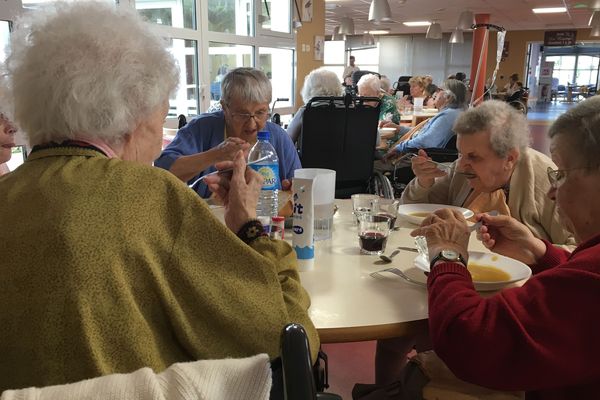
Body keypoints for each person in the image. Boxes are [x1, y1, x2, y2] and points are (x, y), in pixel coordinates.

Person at [0, 1, 318, 392]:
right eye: (160, 119)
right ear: (132, 117)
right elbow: (285, 334)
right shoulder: (153, 198)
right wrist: (250, 229)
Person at [410, 95, 600, 399]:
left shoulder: (538, 181)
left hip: (502, 330)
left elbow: (468, 342)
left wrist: (448, 255)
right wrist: (540, 252)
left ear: (510, 158)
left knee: (416, 371)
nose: (553, 191)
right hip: (519, 327)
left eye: (562, 175)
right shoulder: (464, 175)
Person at [401, 100, 575, 246]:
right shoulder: (461, 169)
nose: (461, 165)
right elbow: (412, 215)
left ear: (509, 158)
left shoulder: (544, 179)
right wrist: (423, 182)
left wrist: (534, 249)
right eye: (460, 154)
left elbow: (578, 250)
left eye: (473, 157)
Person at [155, 67, 300, 198]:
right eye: (242, 114)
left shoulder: (278, 137)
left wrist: (293, 190)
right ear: (224, 108)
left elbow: (299, 186)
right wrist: (216, 155)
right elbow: (161, 172)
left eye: (260, 112)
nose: (251, 123)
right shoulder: (202, 128)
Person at [382, 79, 467, 156]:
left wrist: (399, 147)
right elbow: (423, 133)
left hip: (415, 158)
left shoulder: (447, 117)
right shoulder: (455, 113)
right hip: (419, 154)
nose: (435, 93)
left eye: (440, 90)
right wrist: (399, 128)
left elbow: (425, 141)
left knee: (376, 165)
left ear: (449, 97)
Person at [286, 67, 343, 144]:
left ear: (310, 88)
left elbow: (287, 141)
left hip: (310, 155)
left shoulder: (306, 111)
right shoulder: (349, 109)